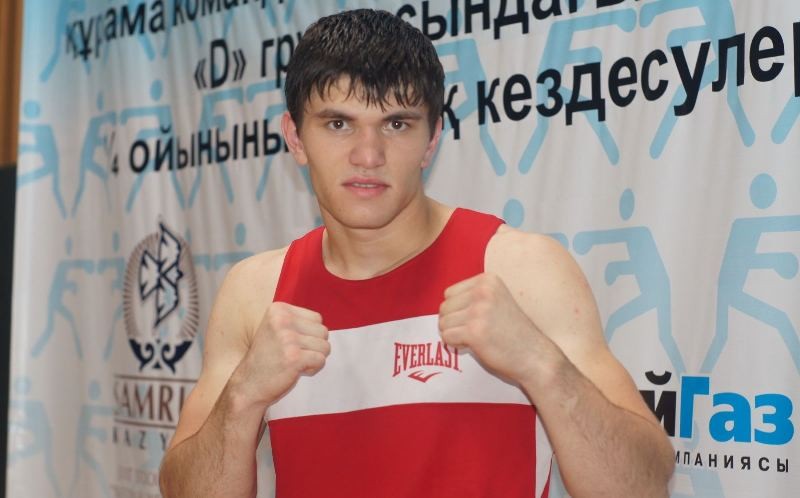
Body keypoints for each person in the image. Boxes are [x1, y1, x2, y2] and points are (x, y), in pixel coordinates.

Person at [159, 9, 674, 498]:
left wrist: (541, 364)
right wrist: (244, 394)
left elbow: (640, 487)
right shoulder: (257, 293)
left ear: (431, 141)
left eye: (397, 124)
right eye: (338, 124)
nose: (368, 155)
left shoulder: (519, 270)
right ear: (295, 137)